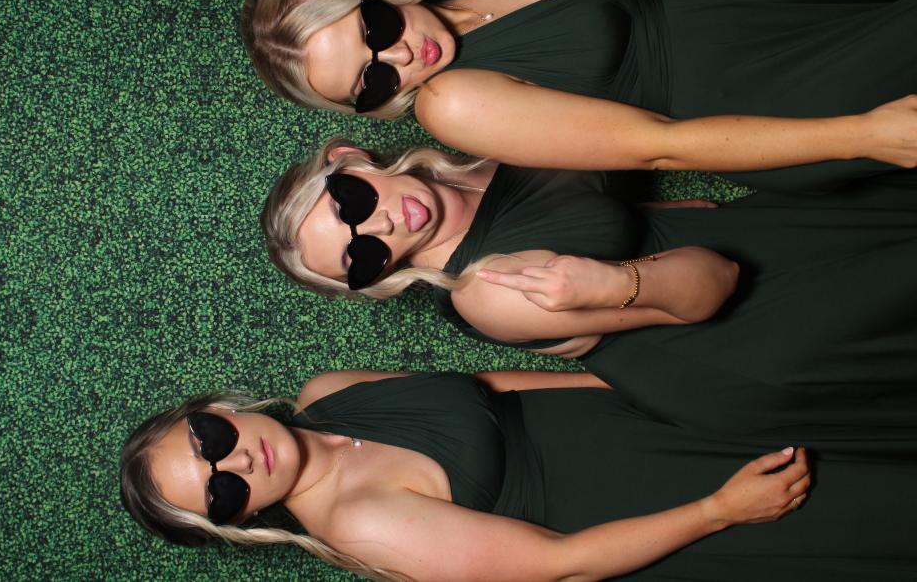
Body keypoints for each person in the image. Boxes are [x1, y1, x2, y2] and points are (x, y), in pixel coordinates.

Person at [261, 138, 917, 438]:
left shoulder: (470, 150)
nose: (379, 225)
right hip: (745, 338)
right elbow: (712, 286)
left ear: (350, 159)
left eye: (351, 203)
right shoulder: (487, 290)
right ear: (377, 278)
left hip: (754, 237)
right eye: (361, 255)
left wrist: (654, 216)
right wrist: (615, 279)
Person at [243, 0, 917, 193]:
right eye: (372, 81)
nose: (399, 54)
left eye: (376, 25)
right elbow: (662, 148)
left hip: (757, 2)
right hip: (766, 95)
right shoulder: (453, 104)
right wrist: (859, 135)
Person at [121, 370, 917, 581]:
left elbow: (493, 387)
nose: (238, 460)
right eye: (220, 490)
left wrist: (631, 378)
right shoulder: (361, 525)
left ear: (215, 408)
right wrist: (720, 509)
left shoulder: (329, 391)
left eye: (209, 439)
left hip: (640, 415)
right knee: (878, 507)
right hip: (657, 506)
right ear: (240, 518)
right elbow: (563, 564)